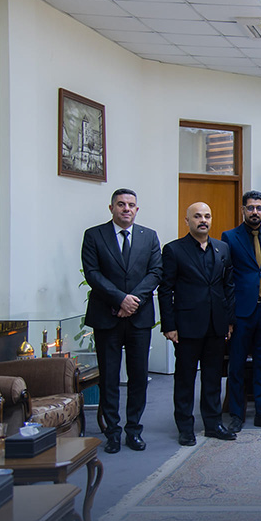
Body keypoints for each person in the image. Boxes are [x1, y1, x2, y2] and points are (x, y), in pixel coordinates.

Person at [80, 188, 162, 454]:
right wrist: (120, 299)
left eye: (131, 205)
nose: (126, 209)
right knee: (109, 377)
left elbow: (155, 272)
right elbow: (92, 273)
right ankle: (112, 432)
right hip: (107, 316)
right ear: (111, 208)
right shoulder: (94, 235)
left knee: (138, 377)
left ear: (137, 209)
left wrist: (132, 301)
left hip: (139, 317)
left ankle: (134, 430)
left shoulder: (149, 236)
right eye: (121, 204)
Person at [158, 202, 237, 446]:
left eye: (207, 216)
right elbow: (165, 290)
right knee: (185, 379)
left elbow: (228, 286)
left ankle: (213, 424)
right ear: (187, 220)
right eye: (197, 216)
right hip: (186, 326)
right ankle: (185, 428)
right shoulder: (173, 250)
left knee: (213, 378)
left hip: (216, 325)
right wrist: (169, 325)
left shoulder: (222, 248)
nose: (203, 220)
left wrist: (229, 321)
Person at [221, 190, 261, 432]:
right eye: (250, 208)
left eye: (259, 208)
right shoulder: (229, 237)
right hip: (241, 311)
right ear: (243, 210)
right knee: (237, 365)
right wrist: (228, 314)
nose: (255, 212)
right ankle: (236, 415)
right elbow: (226, 278)